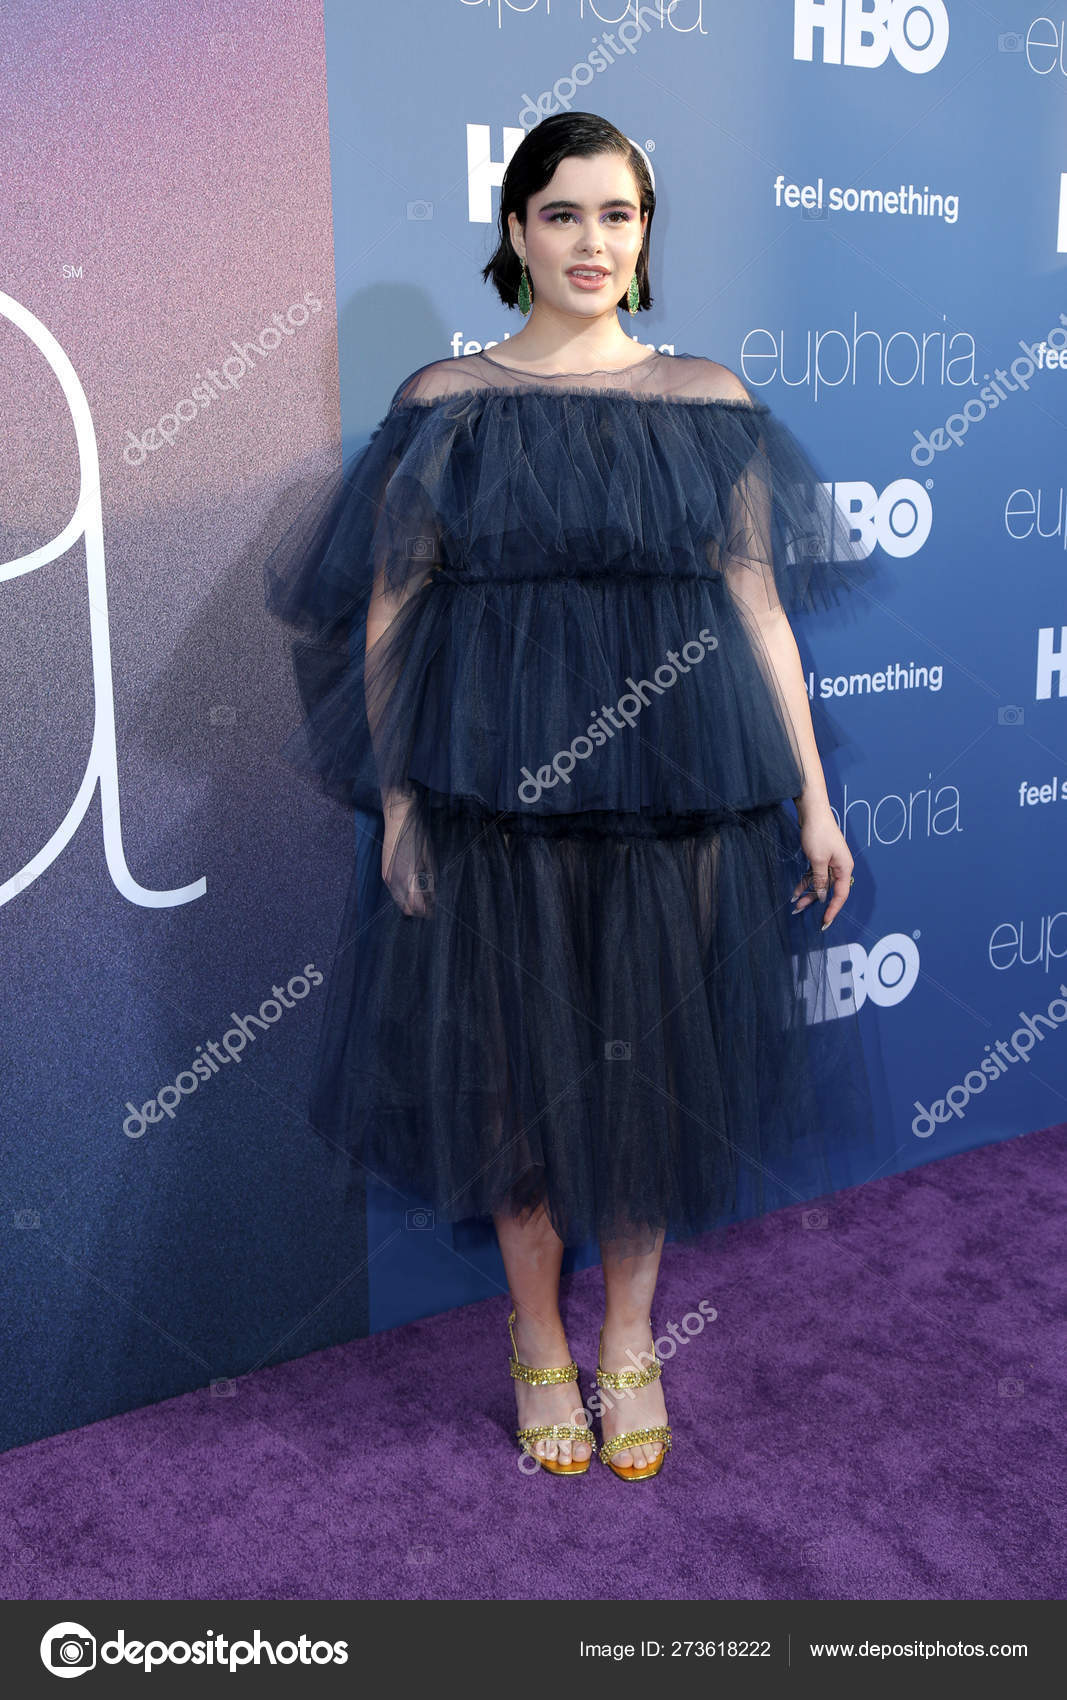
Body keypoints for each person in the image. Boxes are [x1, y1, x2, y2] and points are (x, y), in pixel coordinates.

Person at [264, 112, 877, 1482]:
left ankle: (632, 1338)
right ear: (515, 232)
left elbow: (759, 609)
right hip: (500, 800)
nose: (592, 242)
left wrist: (814, 801)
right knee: (512, 1077)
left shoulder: (709, 400)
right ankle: (537, 1337)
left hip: (687, 794)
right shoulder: (447, 400)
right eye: (563, 213)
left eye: (618, 214)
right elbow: (392, 610)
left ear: (646, 236)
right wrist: (403, 801)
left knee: (655, 1073)